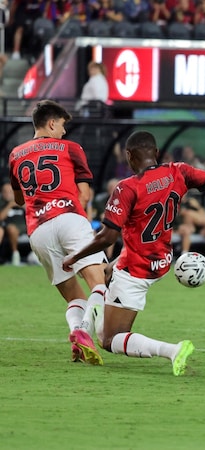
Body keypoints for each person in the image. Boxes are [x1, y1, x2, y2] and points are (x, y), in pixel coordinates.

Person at [62, 131, 205, 376]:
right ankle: (84, 327)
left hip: (136, 269)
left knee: (109, 339)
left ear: (128, 156)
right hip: (161, 261)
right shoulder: (178, 171)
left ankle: (172, 350)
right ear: (156, 153)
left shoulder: (127, 187)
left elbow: (107, 237)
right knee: (105, 272)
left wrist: (74, 257)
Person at [7, 99, 107, 364]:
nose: (64, 132)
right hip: (69, 218)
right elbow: (84, 194)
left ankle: (77, 337)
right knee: (99, 284)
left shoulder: (16, 154)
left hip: (38, 232)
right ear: (51, 123)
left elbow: (19, 199)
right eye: (62, 125)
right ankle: (84, 332)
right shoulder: (71, 148)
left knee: (74, 295)